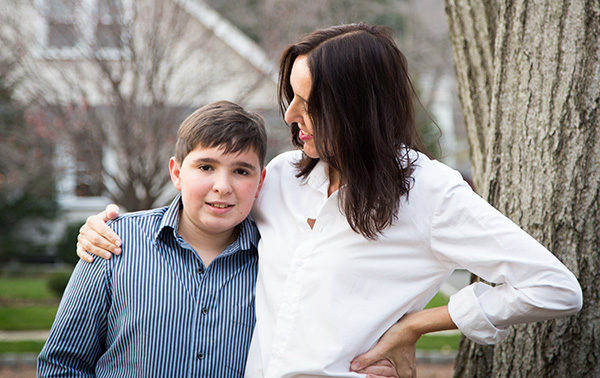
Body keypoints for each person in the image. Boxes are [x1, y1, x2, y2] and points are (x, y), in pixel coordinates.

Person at [76, 24, 583, 378]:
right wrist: (107, 227)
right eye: (291, 96)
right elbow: (206, 203)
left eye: (310, 101)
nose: (292, 114)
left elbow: (553, 287)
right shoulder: (282, 180)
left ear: (358, 108)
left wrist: (414, 326)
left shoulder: (430, 194)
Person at [38, 101, 267, 377]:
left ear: (260, 182)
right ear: (177, 172)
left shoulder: (274, 259)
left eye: (241, 171)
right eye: (206, 167)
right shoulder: (114, 244)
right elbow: (63, 364)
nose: (222, 186)